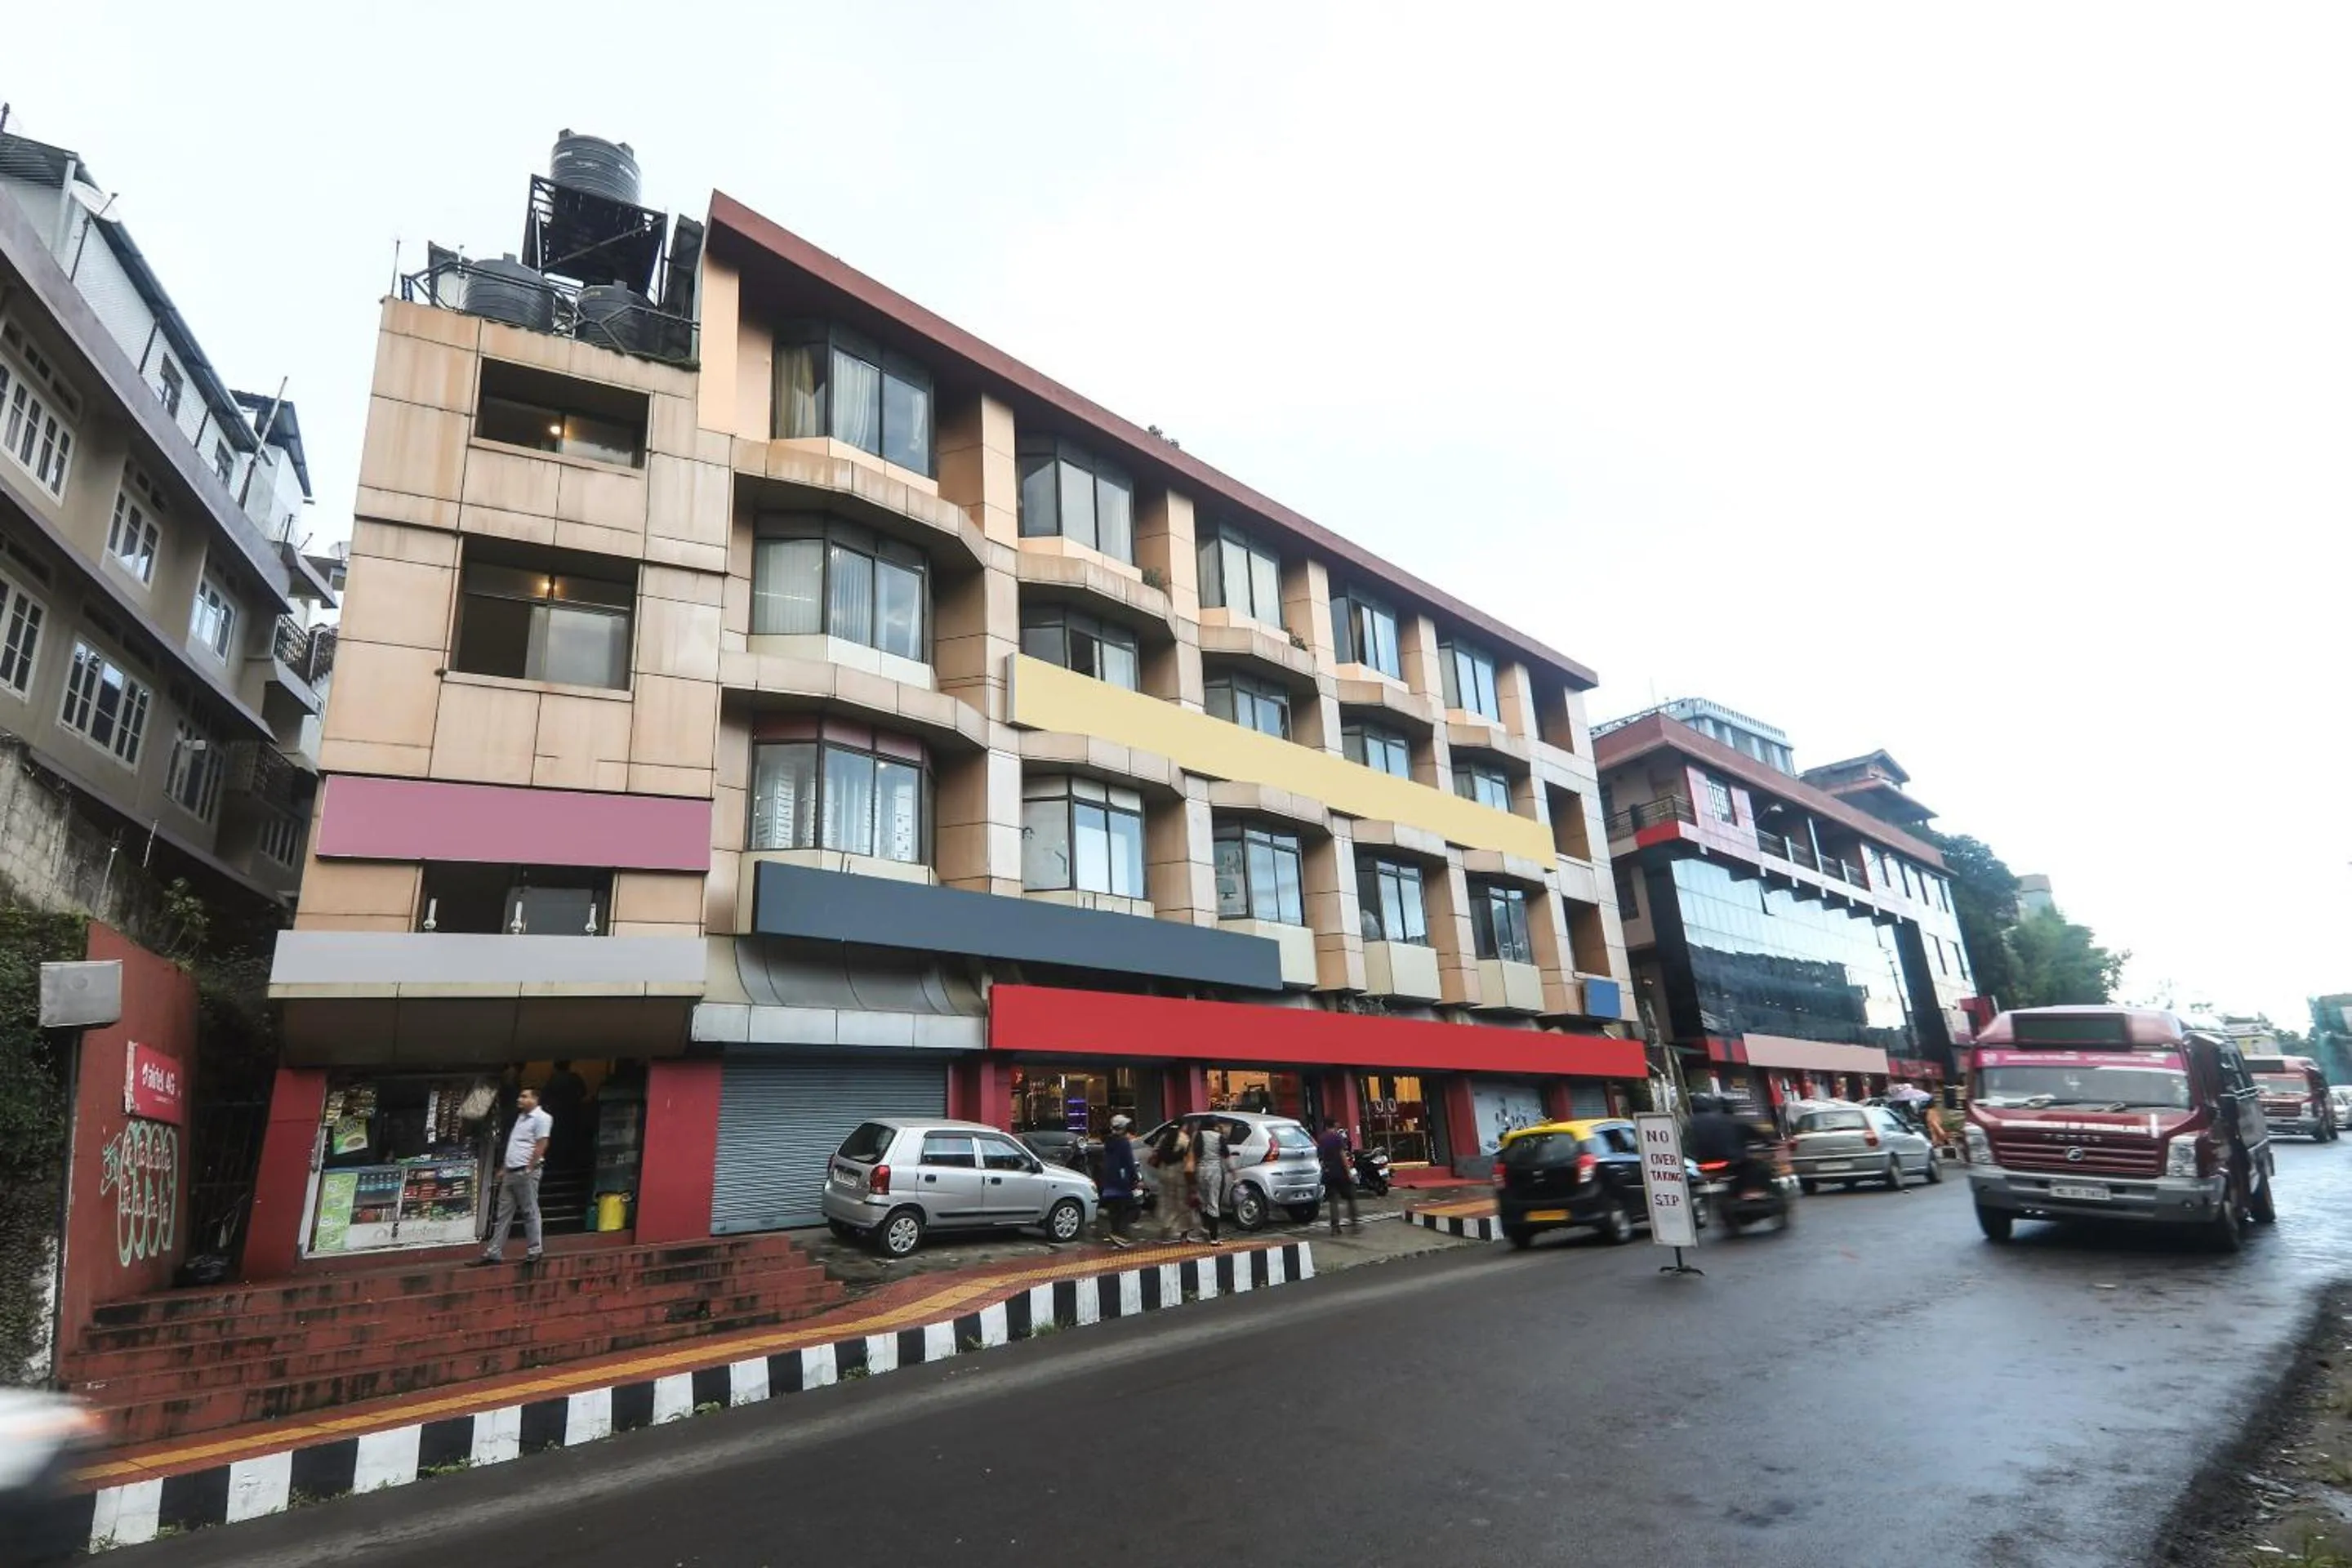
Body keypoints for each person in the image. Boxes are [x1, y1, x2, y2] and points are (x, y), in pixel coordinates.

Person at [475, 1086, 551, 1265]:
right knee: (503, 1213)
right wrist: (504, 1168)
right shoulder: (521, 1118)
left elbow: (542, 1144)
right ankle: (494, 1251)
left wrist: (529, 1167)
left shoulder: (542, 1118)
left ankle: (535, 1249)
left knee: (529, 1210)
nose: (520, 1099)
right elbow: (515, 1145)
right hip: (511, 1171)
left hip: (526, 1171)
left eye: (524, 1096)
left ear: (535, 1099)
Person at [1147, 1120, 1193, 1242]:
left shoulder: (1164, 1137)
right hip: (1178, 1173)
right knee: (1182, 1204)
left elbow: (1155, 1153)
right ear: (1183, 1126)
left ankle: (1165, 1230)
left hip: (1164, 1173)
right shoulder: (1184, 1138)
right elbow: (1188, 1158)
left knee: (1166, 1204)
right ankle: (1184, 1234)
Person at [1097, 1115, 1138, 1249]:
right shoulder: (1123, 1142)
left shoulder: (1108, 1142)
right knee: (1130, 1208)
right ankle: (1120, 1235)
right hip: (1122, 1181)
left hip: (1109, 1181)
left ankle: (1117, 1235)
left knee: (1115, 1210)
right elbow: (1129, 1162)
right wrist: (1134, 1178)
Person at [1192, 1118, 1233, 1245]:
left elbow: (1194, 1154)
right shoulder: (1218, 1137)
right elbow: (1226, 1155)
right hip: (1214, 1171)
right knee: (1213, 1202)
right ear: (1214, 1125)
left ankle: (1205, 1229)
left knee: (1203, 1202)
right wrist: (1232, 1170)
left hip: (1200, 1170)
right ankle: (1214, 1238)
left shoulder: (1198, 1136)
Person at [1317, 1118, 1359, 1235]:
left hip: (1329, 1172)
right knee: (1350, 1197)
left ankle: (1335, 1227)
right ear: (1333, 1126)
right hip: (1340, 1172)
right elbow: (1342, 1155)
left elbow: (1320, 1158)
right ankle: (1354, 1224)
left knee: (1333, 1201)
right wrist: (1349, 1171)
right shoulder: (1337, 1138)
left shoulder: (1321, 1139)